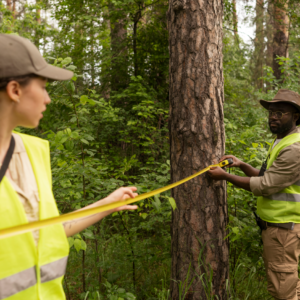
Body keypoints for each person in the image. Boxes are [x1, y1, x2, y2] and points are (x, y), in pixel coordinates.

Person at [0, 34, 138, 299]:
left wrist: (107, 204)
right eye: (43, 87)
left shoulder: (33, 152)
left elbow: (47, 231)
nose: (48, 99)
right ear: (15, 90)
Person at [208, 89, 300, 300]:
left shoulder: (294, 148)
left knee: (282, 291)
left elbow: (266, 185)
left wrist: (224, 177)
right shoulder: (281, 141)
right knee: (289, 285)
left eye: (281, 113)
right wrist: (241, 165)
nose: (273, 116)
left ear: (295, 117)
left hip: (284, 230)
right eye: (271, 112)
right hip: (279, 228)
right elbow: (267, 175)